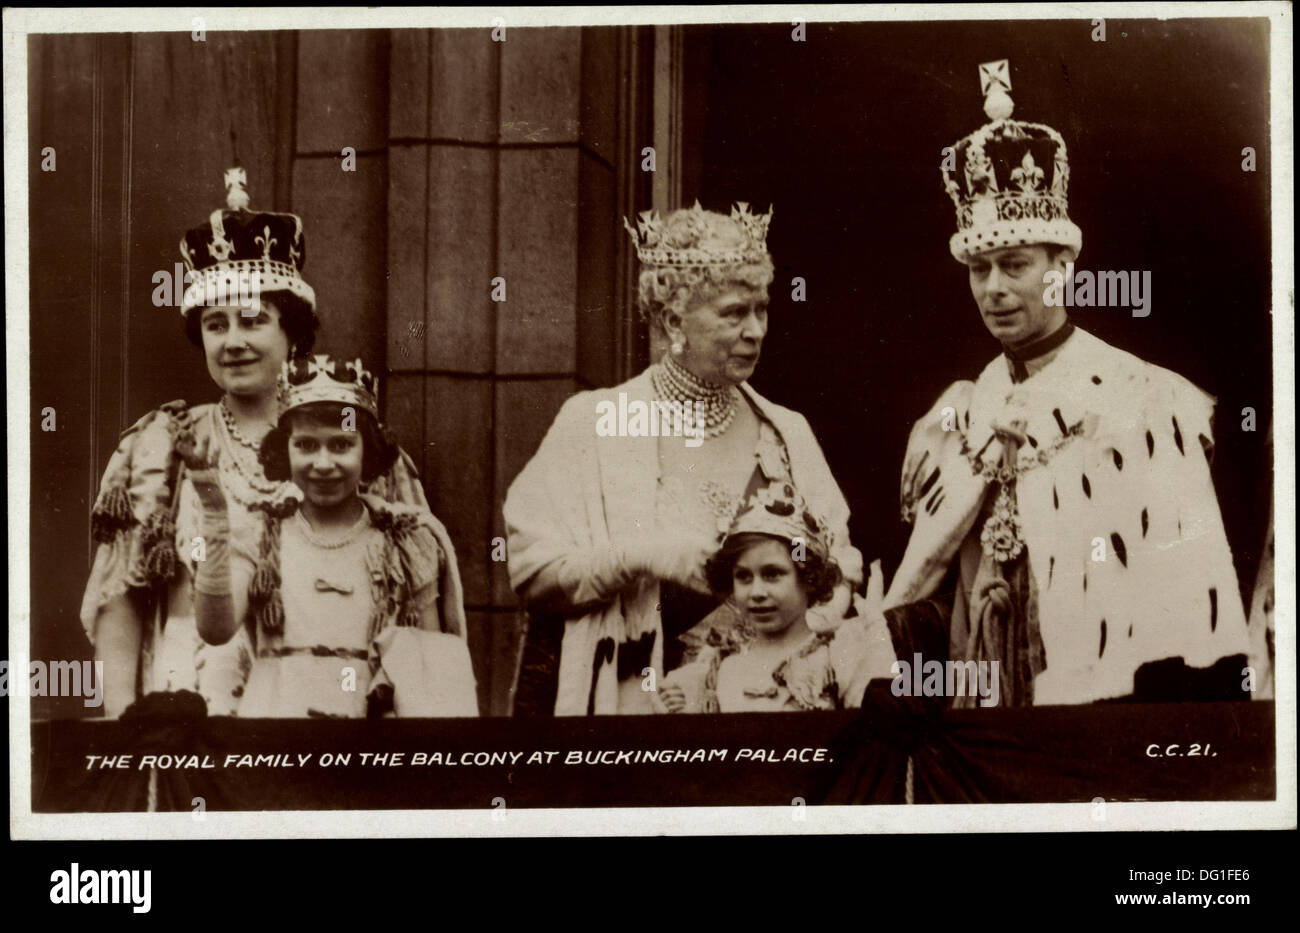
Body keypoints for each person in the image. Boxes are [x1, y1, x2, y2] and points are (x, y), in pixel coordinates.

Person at [883, 60, 1253, 705]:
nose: (994, 289)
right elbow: (931, 588)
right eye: (980, 269)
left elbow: (1187, 600)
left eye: (1015, 265)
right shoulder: (963, 412)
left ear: (1064, 265)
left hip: (1101, 706)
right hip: (981, 703)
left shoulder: (1142, 398)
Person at [80, 168, 429, 718]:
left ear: (292, 333)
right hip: (187, 696)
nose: (234, 342)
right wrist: (124, 721)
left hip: (326, 692)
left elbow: (411, 600)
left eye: (252, 320)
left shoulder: (350, 440)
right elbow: (120, 596)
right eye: (216, 325)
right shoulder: (163, 444)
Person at [505, 202, 866, 715]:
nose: (756, 331)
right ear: (675, 319)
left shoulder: (787, 432)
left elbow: (836, 573)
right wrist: (645, 554)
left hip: (772, 708)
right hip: (637, 705)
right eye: (733, 313)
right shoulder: (595, 420)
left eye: (760, 309)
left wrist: (797, 662)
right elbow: (534, 574)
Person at [185, 354, 477, 718]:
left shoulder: (404, 539)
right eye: (306, 445)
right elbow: (215, 630)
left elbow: (429, 664)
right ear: (284, 450)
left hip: (368, 736)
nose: (323, 464)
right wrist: (213, 510)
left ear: (367, 450)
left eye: (341, 445)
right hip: (275, 727)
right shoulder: (261, 534)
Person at [657, 480, 895, 713]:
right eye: (743, 577)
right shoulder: (719, 670)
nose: (757, 592)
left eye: (773, 574)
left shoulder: (837, 657)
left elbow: (879, 722)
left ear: (808, 579)